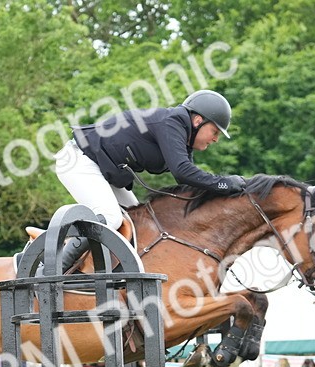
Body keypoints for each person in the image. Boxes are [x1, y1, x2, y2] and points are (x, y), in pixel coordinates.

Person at [53, 89, 245, 271]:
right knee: (110, 217)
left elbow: (189, 181)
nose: (215, 139)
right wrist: (225, 184)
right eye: (215, 132)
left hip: (102, 168)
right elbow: (183, 172)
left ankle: (106, 271)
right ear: (197, 121)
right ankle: (54, 267)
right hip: (78, 160)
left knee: (138, 222)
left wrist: (223, 195)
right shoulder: (172, 123)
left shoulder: (182, 137)